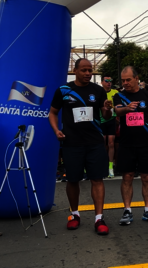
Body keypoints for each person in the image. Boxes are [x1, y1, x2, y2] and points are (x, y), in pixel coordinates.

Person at [48, 58, 113, 235]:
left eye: (90, 70)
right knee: (73, 180)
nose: (87, 73)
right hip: (72, 143)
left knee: (97, 179)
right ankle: (74, 214)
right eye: (84, 70)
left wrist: (107, 108)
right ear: (75, 71)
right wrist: (56, 130)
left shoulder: (98, 91)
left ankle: (99, 218)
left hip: (95, 142)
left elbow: (106, 116)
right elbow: (52, 113)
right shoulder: (64, 90)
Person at [113, 66, 148, 225]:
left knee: (147, 177)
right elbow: (117, 111)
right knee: (127, 177)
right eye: (123, 80)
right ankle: (127, 210)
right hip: (127, 143)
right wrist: (127, 108)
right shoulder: (119, 96)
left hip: (146, 143)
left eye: (128, 79)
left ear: (136, 78)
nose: (125, 83)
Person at [101, 76, 119, 178]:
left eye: (110, 81)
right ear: (102, 82)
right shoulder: (99, 92)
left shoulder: (115, 93)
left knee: (111, 143)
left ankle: (110, 166)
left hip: (112, 120)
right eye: (106, 81)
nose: (109, 83)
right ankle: (103, 164)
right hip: (101, 120)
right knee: (102, 142)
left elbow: (118, 106)